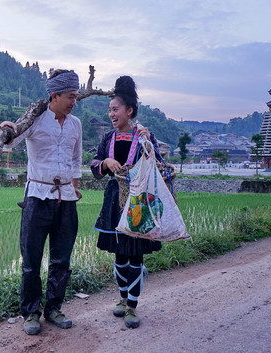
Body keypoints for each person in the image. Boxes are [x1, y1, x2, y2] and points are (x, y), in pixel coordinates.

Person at [0, 69, 82, 335]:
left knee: (62, 259)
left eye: (76, 96)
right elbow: (11, 141)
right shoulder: (35, 119)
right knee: (31, 260)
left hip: (65, 199)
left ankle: (54, 308)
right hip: (36, 197)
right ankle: (31, 312)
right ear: (54, 95)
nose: (74, 101)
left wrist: (75, 187)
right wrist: (8, 127)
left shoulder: (75, 124)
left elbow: (77, 159)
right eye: (70, 96)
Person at [90, 76, 162, 329]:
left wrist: (148, 142)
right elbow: (94, 164)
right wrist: (105, 163)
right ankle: (122, 299)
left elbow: (157, 164)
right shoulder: (108, 138)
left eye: (115, 109)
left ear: (129, 111)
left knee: (136, 255)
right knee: (120, 254)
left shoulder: (143, 136)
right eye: (109, 110)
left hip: (138, 202)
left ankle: (132, 306)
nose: (111, 114)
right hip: (114, 200)